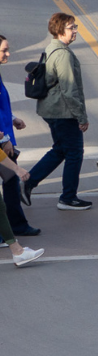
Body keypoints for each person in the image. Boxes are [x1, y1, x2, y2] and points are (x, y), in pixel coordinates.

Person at [24, 12, 91, 211]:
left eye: (75, 26)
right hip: (63, 112)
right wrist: (81, 116)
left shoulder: (51, 48)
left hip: (52, 109)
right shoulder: (62, 54)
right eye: (71, 27)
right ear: (60, 30)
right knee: (74, 153)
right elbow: (69, 89)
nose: (75, 31)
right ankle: (68, 197)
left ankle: (28, 182)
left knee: (60, 150)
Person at [0, 35, 39, 238]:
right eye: (4, 50)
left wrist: (13, 118)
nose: (8, 54)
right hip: (2, 141)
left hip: (5, 136)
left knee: (10, 183)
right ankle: (14, 227)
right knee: (10, 181)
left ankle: (16, 224)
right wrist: (3, 139)